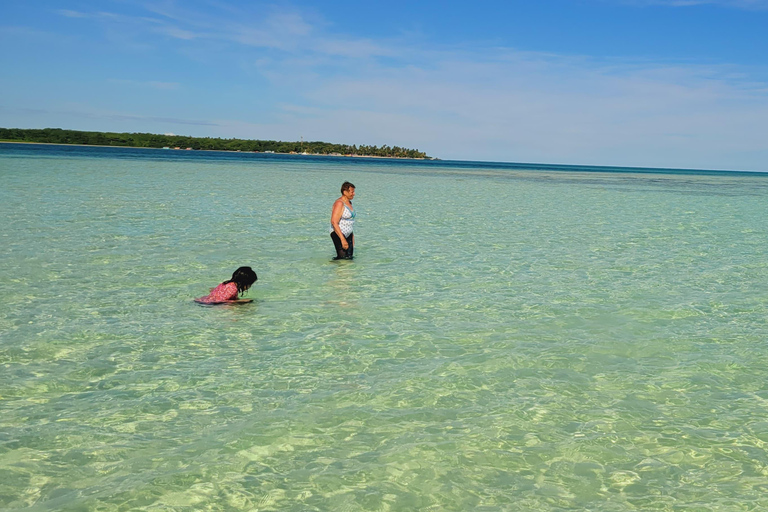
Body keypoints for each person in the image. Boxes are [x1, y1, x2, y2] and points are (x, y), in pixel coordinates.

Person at [330, 181, 356, 260]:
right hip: (338, 233)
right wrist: (342, 239)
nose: (354, 194)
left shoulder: (349, 203)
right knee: (342, 259)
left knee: (349, 258)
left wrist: (352, 236)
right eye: (352, 192)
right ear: (345, 192)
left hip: (348, 234)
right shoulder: (339, 203)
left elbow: (349, 221)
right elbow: (334, 222)